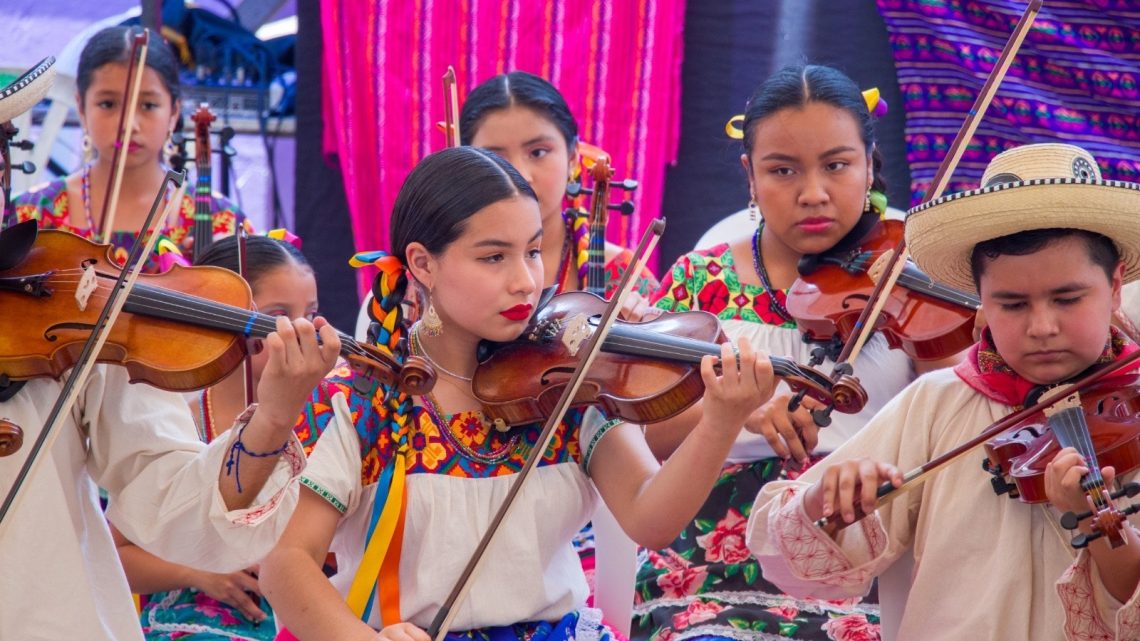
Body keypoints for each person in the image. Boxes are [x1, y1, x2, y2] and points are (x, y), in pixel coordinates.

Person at [258, 146, 777, 641]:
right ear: (422, 264)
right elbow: (287, 565)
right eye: (493, 257)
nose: (526, 281)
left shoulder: (565, 383)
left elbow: (651, 518)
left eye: (532, 251)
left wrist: (722, 421)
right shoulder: (358, 399)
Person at [748, 142, 1140, 640]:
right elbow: (783, 555)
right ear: (980, 302)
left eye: (1067, 298)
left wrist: (1096, 520)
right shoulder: (939, 401)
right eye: (1012, 304)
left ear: (1114, 284)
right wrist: (825, 499)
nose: (1042, 326)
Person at [632, 64, 963, 641]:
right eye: (782, 171)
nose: (813, 193)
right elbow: (647, 434)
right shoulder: (699, 280)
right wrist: (734, 414)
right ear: (750, 176)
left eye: (837, 165)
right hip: (706, 570)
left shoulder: (912, 285)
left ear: (868, 163)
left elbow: (953, 432)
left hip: (863, 561)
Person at [110, 233, 318, 640]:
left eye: (311, 313)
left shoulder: (327, 416)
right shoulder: (178, 419)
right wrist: (198, 571)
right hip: (193, 624)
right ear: (222, 317)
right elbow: (114, 553)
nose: (303, 331)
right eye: (280, 314)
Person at [4, 26, 248, 272]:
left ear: (174, 112)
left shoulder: (220, 221)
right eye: (108, 104)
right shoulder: (31, 215)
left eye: (148, 105)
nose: (129, 124)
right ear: (81, 108)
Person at [461, 70, 658, 298]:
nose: (520, 175)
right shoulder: (444, 268)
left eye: (538, 152)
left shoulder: (625, 278)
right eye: (495, 159)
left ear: (572, 158)